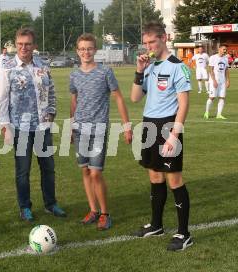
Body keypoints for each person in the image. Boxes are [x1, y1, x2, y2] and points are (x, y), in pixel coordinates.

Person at [131, 22, 193, 251]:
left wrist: (174, 135)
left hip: (168, 126)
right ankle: (156, 225)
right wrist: (139, 70)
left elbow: (184, 104)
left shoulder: (178, 66)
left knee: (174, 179)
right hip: (149, 124)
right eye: (145, 43)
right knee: (155, 177)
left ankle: (184, 233)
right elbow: (135, 97)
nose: (148, 47)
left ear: (164, 38)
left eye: (152, 42)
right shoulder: (148, 66)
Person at [0, 28, 66, 222]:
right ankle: (25, 207)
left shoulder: (43, 64)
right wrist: (4, 124)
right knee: (23, 171)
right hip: (20, 127)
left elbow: (51, 90)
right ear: (15, 45)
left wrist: (51, 112)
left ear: (34, 45)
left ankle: (51, 204)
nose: (23, 48)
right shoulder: (7, 66)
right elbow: (1, 97)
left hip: (43, 125)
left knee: (48, 168)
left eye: (27, 44)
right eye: (20, 44)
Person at [70, 33, 132, 230]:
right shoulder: (74, 74)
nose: (86, 52)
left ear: (95, 50)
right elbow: (74, 100)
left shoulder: (105, 72)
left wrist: (126, 126)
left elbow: (119, 98)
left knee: (96, 173)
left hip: (98, 129)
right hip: (80, 129)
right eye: (82, 49)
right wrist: (72, 126)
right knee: (85, 171)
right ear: (77, 51)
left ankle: (105, 213)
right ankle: (93, 210)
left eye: (89, 48)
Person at [204, 44, 230, 120]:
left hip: (222, 81)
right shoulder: (213, 57)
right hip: (214, 80)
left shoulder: (225, 59)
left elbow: (226, 70)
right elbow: (211, 70)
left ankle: (219, 114)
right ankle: (207, 112)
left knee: (222, 97)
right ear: (219, 49)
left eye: (225, 50)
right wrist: (214, 80)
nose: (225, 51)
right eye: (223, 49)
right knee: (212, 97)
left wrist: (228, 80)